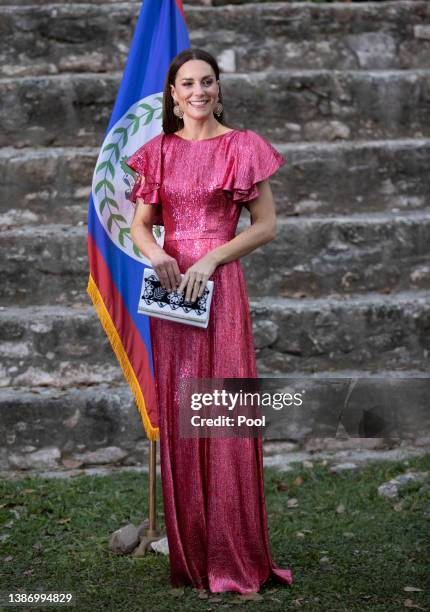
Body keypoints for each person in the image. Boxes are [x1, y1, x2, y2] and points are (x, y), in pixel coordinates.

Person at [126, 48, 294, 595]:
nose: (198, 91)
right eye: (187, 84)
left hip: (219, 290)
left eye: (207, 81)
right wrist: (158, 256)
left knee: (220, 414)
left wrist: (212, 256)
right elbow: (141, 227)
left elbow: (266, 226)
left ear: (218, 88)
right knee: (181, 412)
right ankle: (194, 557)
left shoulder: (242, 146)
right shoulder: (159, 153)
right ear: (173, 95)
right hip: (172, 296)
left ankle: (233, 555)